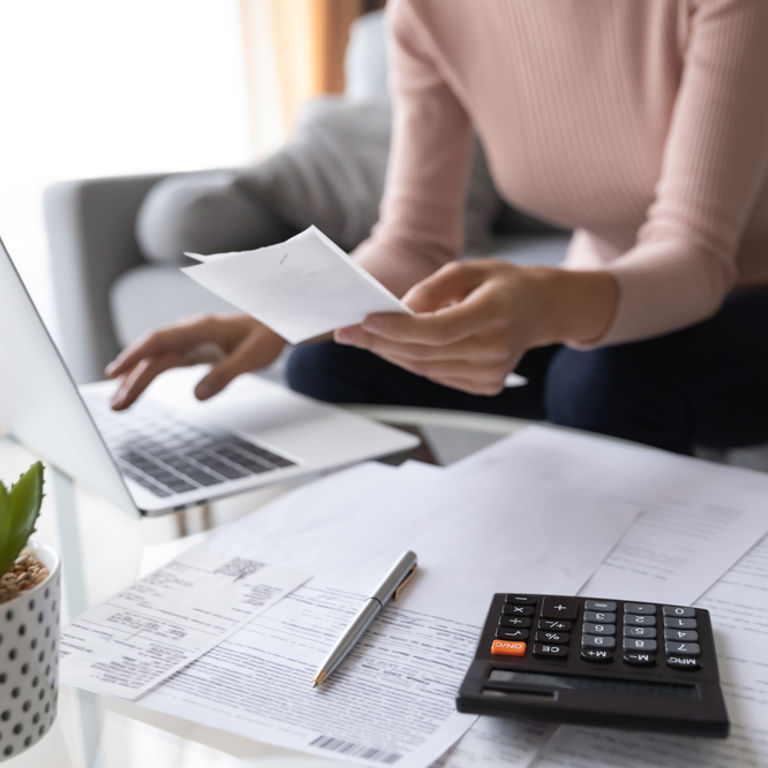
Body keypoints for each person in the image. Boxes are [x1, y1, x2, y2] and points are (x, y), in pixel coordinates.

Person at [107, 0, 768, 456]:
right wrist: (277, 317)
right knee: (331, 360)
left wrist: (545, 302)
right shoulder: (427, 12)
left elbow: (695, 253)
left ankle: (639, 627)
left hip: (743, 293)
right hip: (609, 303)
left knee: (599, 381)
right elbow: (415, 240)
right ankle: (430, 582)